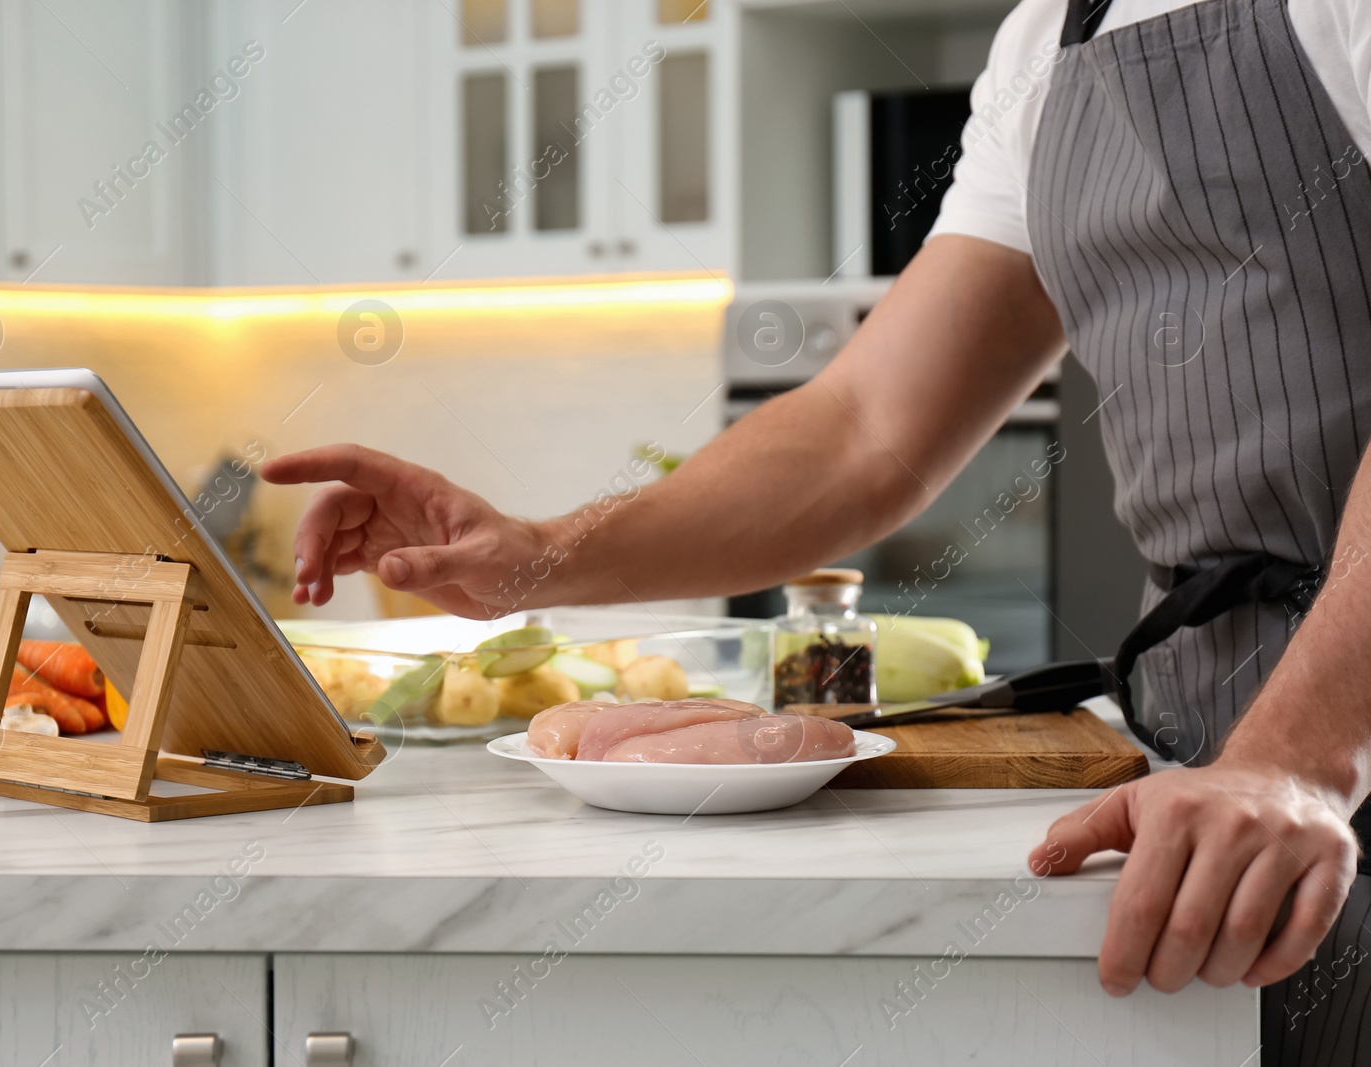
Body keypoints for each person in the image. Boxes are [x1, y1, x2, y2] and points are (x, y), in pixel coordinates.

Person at [262, 0, 1371, 1061]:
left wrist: (1298, 758)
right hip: (1192, 751)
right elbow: (862, 430)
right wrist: (534, 555)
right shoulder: (1052, 37)